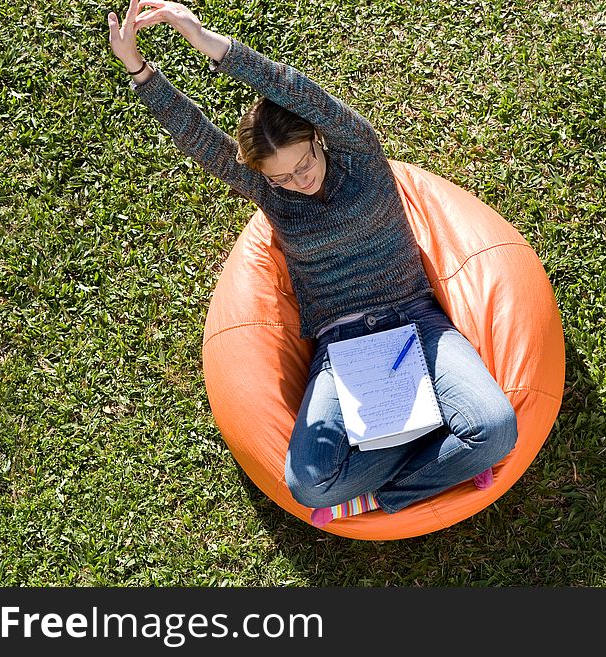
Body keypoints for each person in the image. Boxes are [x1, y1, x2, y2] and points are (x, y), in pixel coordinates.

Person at [107, 1, 518, 528]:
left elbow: (291, 87)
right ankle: (439, 450)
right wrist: (140, 71)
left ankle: (391, 487)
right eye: (282, 178)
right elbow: (196, 136)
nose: (299, 181)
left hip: (418, 325)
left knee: (496, 428)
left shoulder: (362, 154)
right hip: (343, 347)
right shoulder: (270, 193)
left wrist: (204, 39)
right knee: (308, 482)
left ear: (320, 140)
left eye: (304, 164)